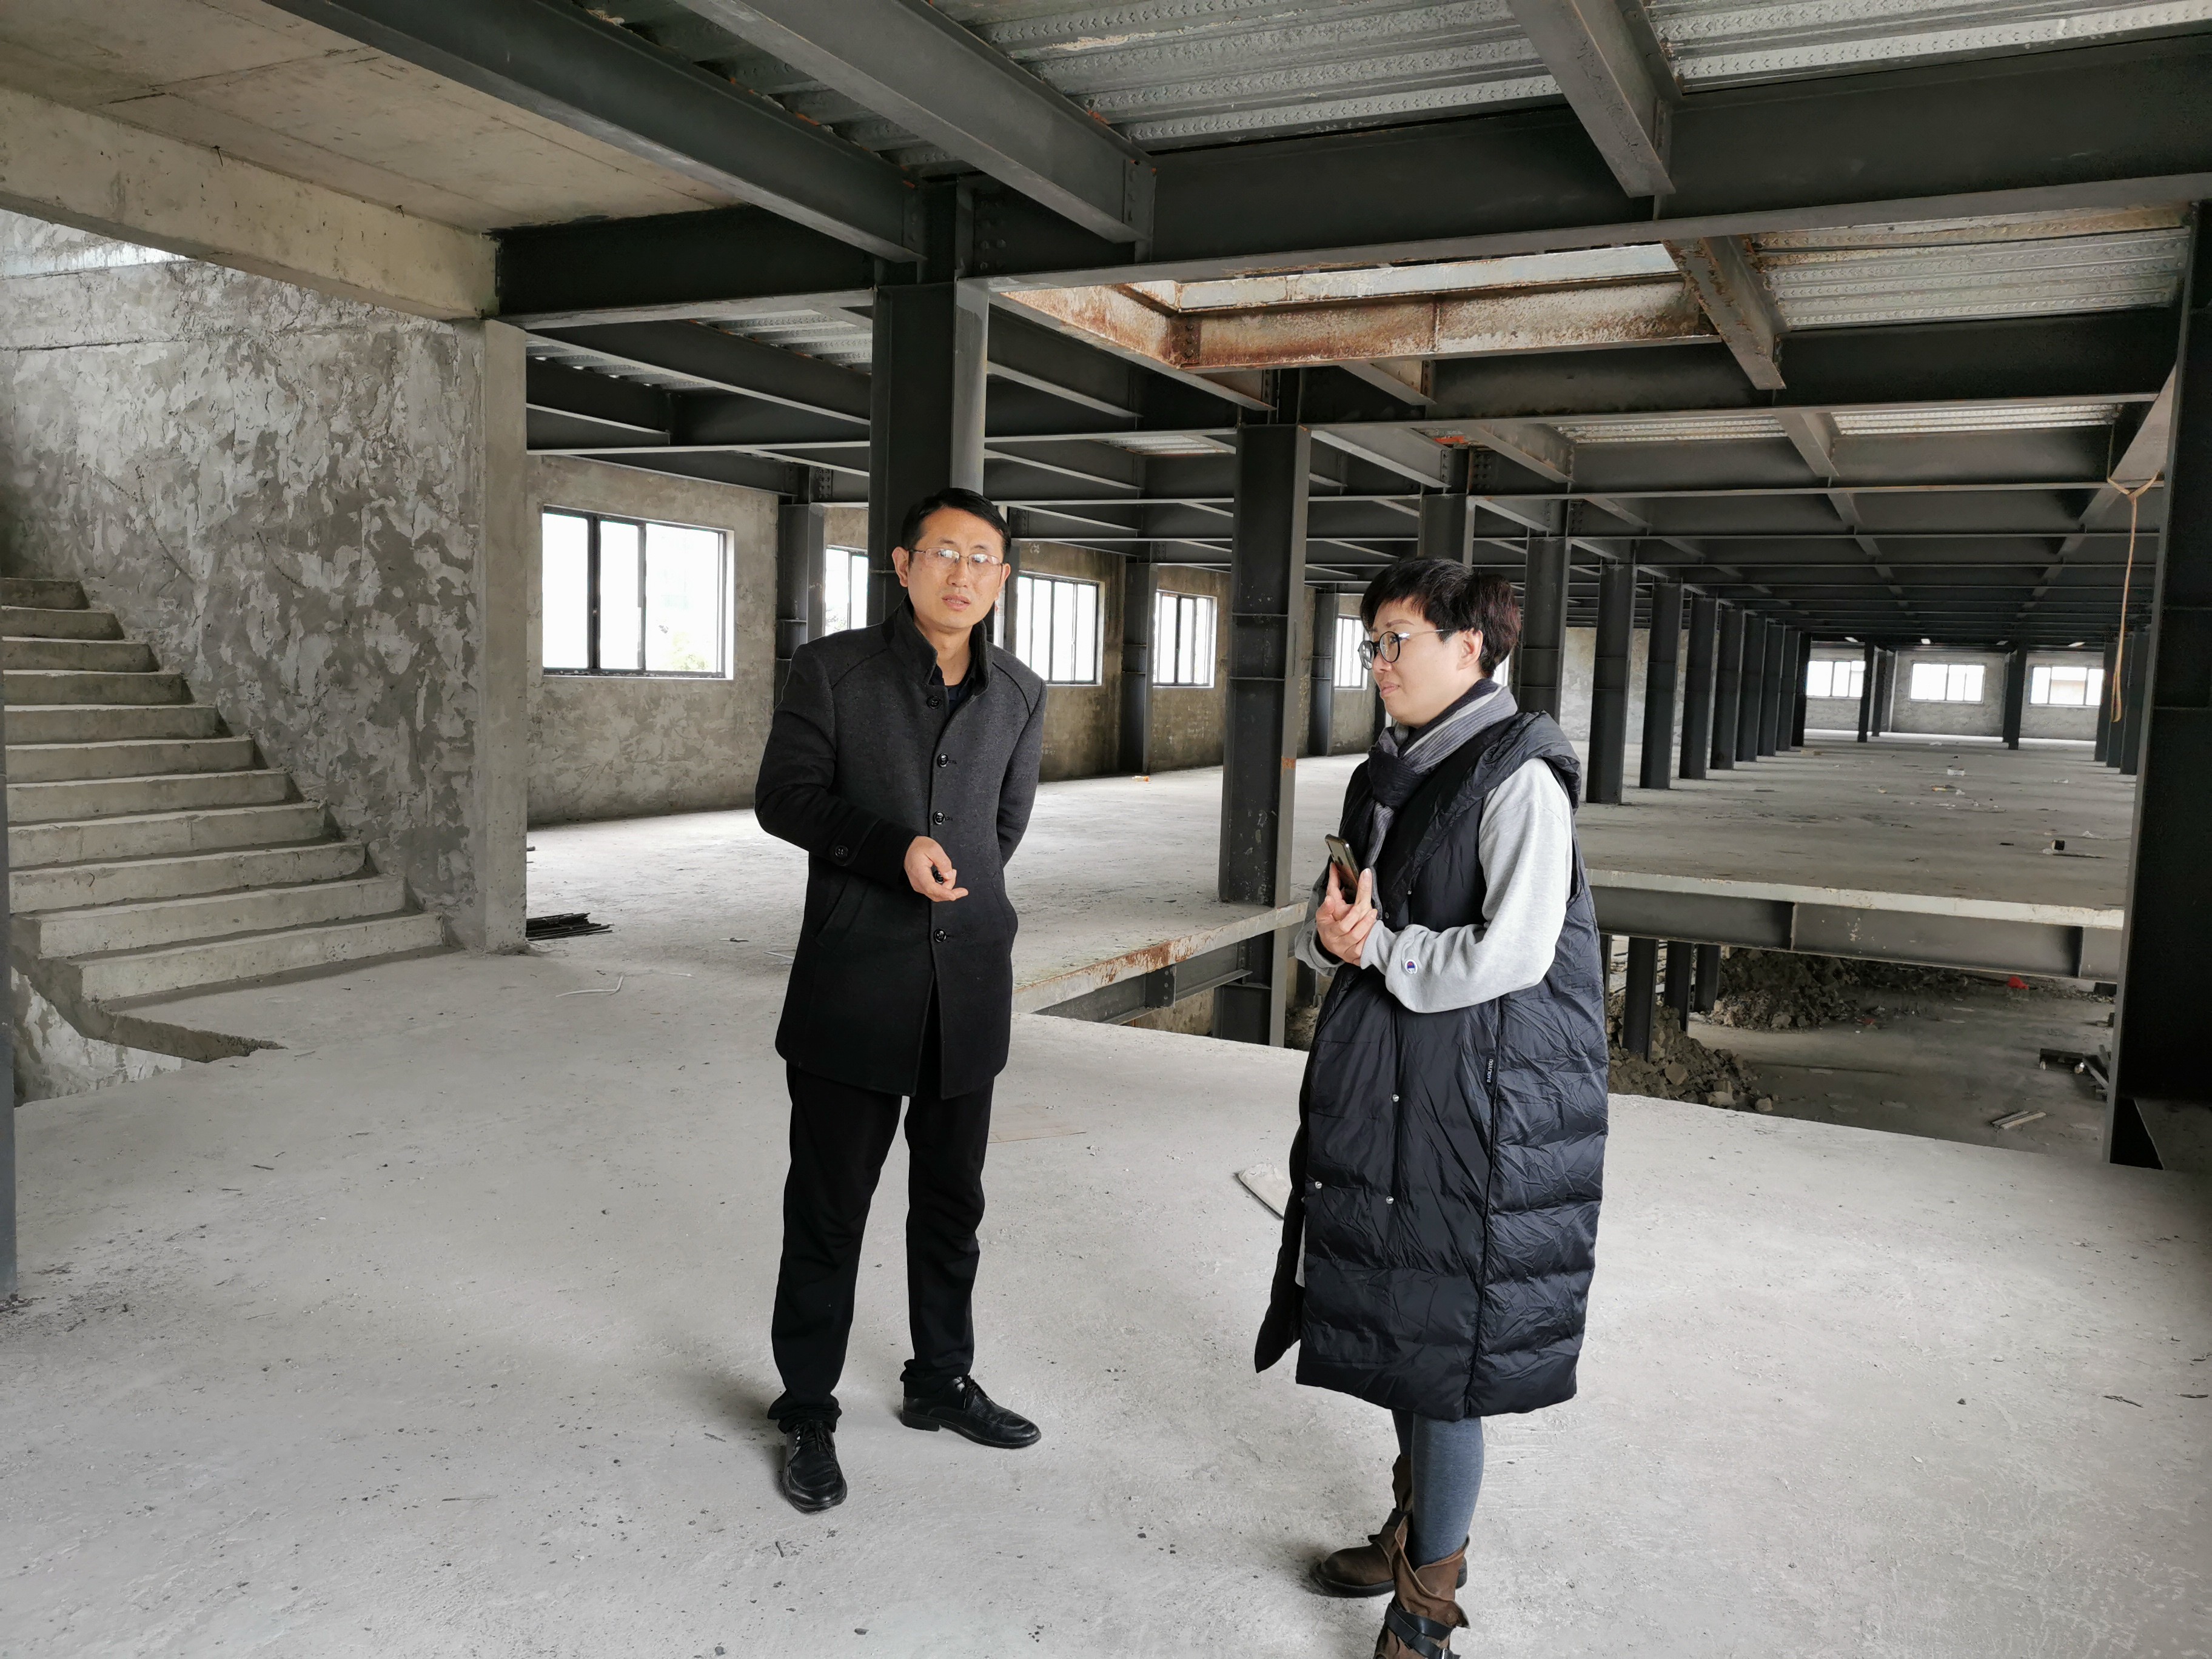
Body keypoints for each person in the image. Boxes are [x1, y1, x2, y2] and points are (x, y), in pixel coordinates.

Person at [1255, 560, 1609, 1658]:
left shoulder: (1520, 779)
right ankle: (1413, 1529)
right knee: (1409, 1319)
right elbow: (1353, 917)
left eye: (1397, 639)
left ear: (1473, 648)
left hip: (1479, 1105)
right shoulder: (1390, 771)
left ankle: (1426, 1605)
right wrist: (1335, 936)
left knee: (1449, 1356)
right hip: (1402, 1084)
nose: (1379, 661)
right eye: (1371, 642)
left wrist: (1380, 951)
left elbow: (1514, 954)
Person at [753, 486, 1048, 1513]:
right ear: (904, 563)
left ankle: (940, 1382)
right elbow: (784, 798)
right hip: (854, 981)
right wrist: (893, 851)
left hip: (968, 984)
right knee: (830, 1209)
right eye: (945, 553)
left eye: (983, 558)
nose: (964, 573)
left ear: (1002, 578)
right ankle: (806, 1407)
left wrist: (956, 880)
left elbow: (1003, 827)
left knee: (953, 1204)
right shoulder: (831, 670)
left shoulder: (1020, 691)